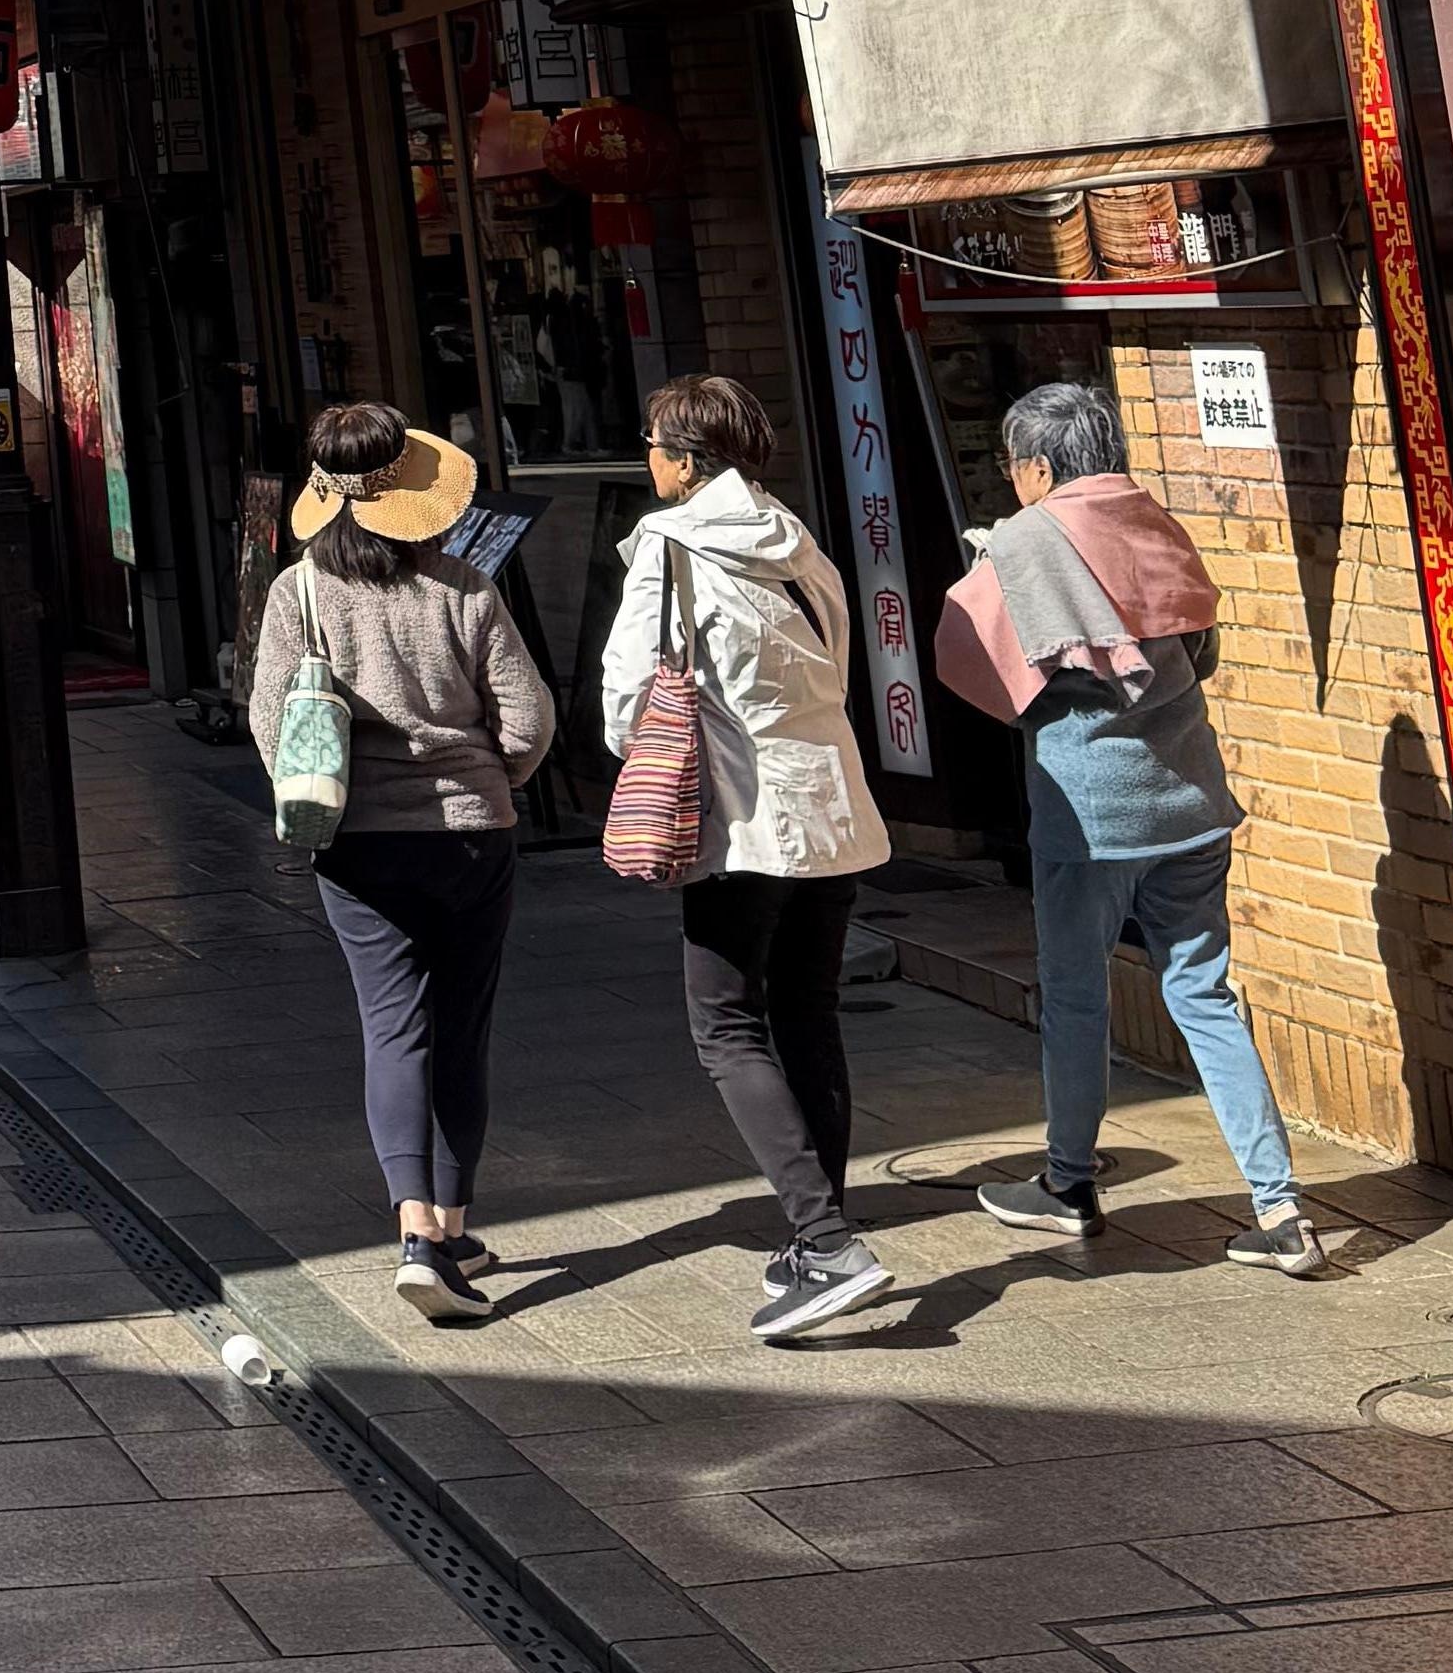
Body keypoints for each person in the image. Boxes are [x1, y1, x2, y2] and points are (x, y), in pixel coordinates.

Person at [940, 382, 1320, 1275]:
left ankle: (1069, 1185)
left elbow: (969, 661)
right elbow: (1205, 650)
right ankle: (1282, 1209)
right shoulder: (1154, 518)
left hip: (1090, 816)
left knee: (1076, 1000)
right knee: (1205, 997)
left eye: (1012, 464)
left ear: (1034, 466)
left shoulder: (1025, 539)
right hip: (1191, 799)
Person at [602, 373, 896, 1343]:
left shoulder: (669, 547)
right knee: (809, 1015)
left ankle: (831, 1243)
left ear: (685, 460)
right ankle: (821, 1242)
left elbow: (625, 703)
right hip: (834, 806)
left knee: (725, 1028)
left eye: (653, 442)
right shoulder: (800, 545)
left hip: (739, 819)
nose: (648, 458)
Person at [249, 407, 555, 1323]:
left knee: (393, 1028)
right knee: (462, 1028)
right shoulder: (463, 585)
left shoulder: (297, 593)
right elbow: (530, 718)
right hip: (472, 833)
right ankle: (452, 1229)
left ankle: (415, 1228)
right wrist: (494, 779)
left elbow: (272, 727)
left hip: (356, 840)